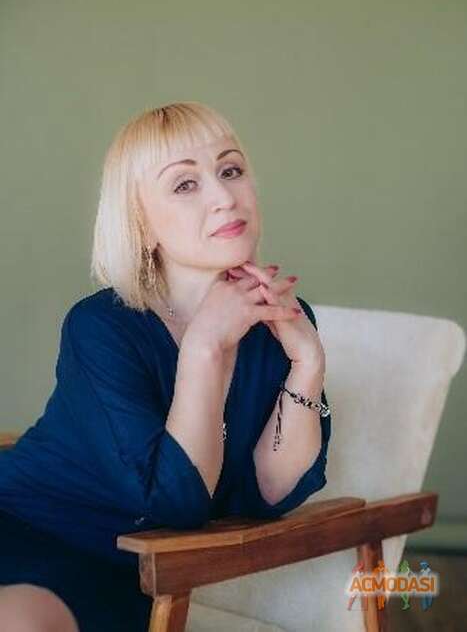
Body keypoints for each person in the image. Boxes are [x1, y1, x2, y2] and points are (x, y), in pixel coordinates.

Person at [0, 101, 331, 631]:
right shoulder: (100, 326)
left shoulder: (281, 323)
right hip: (23, 519)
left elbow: (269, 494)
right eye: (185, 184)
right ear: (142, 225)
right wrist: (204, 346)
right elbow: (171, 499)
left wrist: (308, 363)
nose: (224, 197)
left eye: (231, 170)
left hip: (131, 566)